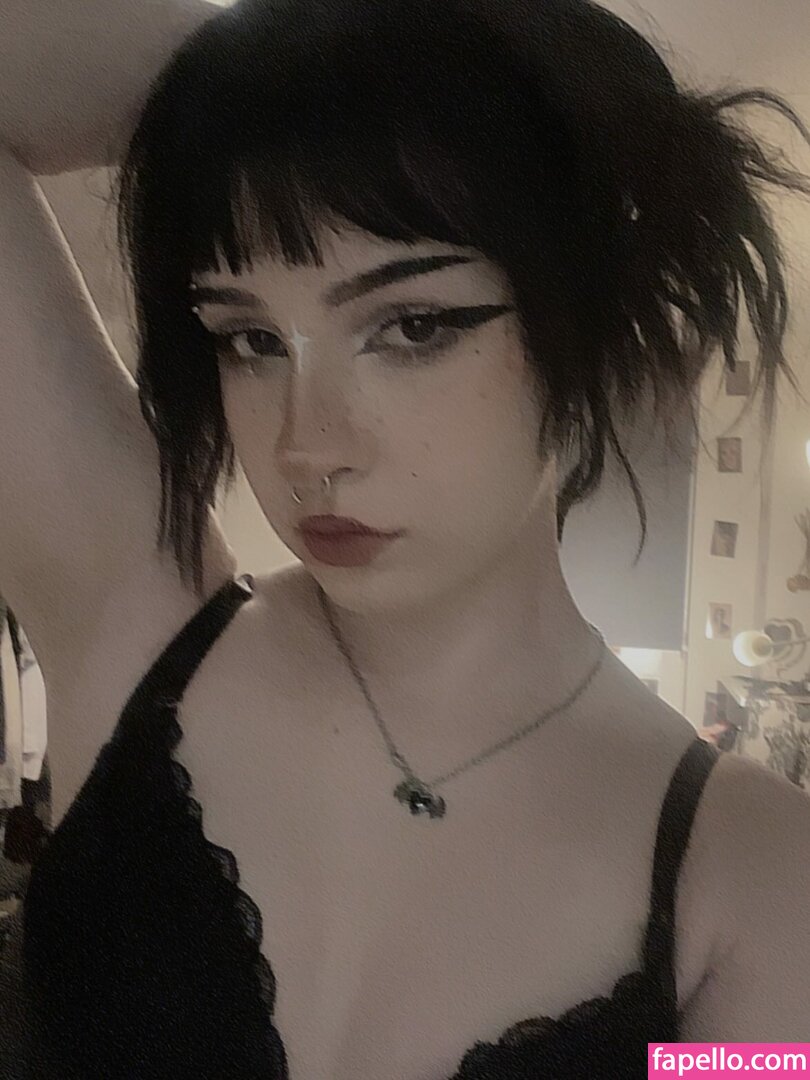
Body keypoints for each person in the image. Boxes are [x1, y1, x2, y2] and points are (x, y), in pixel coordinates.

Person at [1, 0, 810, 1075]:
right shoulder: (134, 618)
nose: (307, 446)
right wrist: (295, 77)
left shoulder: (754, 878)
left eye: (413, 326)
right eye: (250, 338)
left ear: (604, 325)